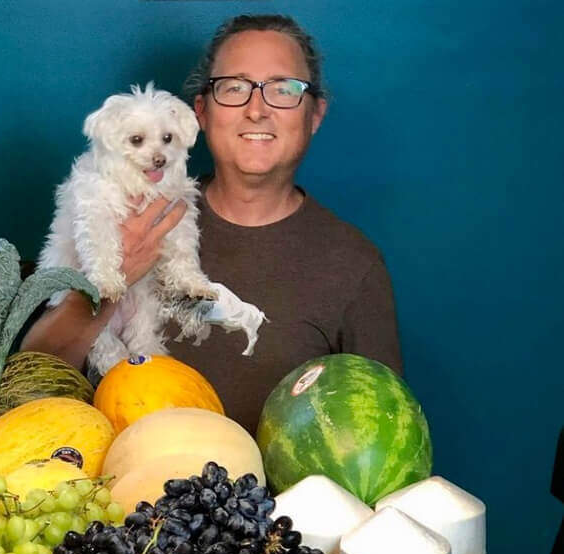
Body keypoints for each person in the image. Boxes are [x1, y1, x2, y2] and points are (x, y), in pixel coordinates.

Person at [21, 14, 402, 431]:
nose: (257, 109)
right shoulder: (124, 212)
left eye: (283, 89)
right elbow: (28, 383)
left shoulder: (354, 265)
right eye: (234, 88)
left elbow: (381, 427)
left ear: (315, 114)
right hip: (121, 488)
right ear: (200, 112)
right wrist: (107, 283)